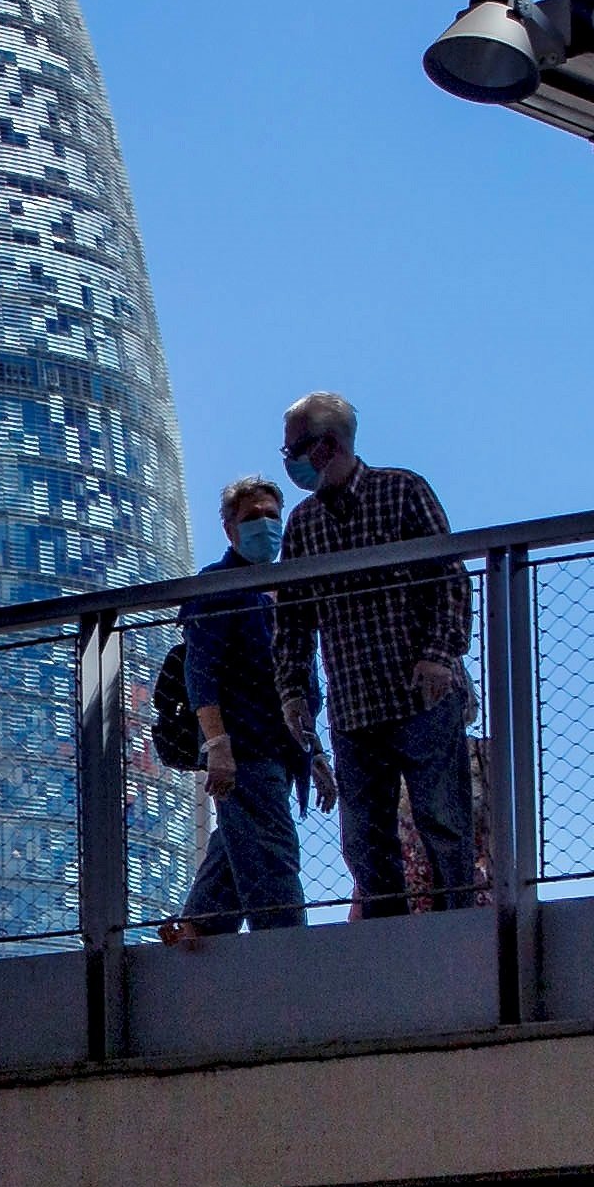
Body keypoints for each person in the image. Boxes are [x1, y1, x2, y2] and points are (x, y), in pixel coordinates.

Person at [268, 396, 479, 918]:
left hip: (421, 698)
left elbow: (448, 579)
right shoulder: (303, 524)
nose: (287, 460)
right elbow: (292, 617)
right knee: (364, 841)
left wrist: (437, 656)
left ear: (328, 446)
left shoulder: (401, 490)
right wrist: (293, 691)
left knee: (443, 824)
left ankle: (461, 940)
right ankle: (389, 947)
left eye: (293, 448)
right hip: (355, 710)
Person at [165, 476, 311, 941]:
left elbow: (301, 679)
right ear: (230, 530)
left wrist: (316, 753)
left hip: (281, 750)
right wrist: (218, 744)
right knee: (272, 852)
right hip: (246, 749)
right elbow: (200, 670)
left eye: (272, 515)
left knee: (236, 841)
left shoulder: (284, 590)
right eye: (252, 518)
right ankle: (287, 946)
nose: (265, 526)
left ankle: (197, 929)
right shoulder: (219, 585)